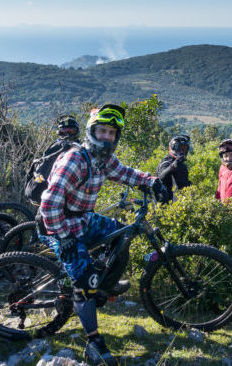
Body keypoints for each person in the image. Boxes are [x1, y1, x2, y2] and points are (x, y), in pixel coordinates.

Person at [37, 104, 169, 365]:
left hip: (83, 219)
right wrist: (64, 238)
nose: (107, 137)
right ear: (91, 132)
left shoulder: (104, 159)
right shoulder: (75, 160)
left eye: (112, 133)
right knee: (85, 282)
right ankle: (94, 342)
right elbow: (49, 204)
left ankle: (105, 286)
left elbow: (124, 173)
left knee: (121, 234)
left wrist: (151, 181)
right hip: (57, 224)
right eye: (102, 131)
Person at [155, 134, 192, 200]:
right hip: (167, 205)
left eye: (184, 149)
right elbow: (161, 177)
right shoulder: (166, 162)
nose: (182, 151)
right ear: (172, 147)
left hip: (182, 202)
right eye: (179, 148)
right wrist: (173, 166)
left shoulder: (182, 165)